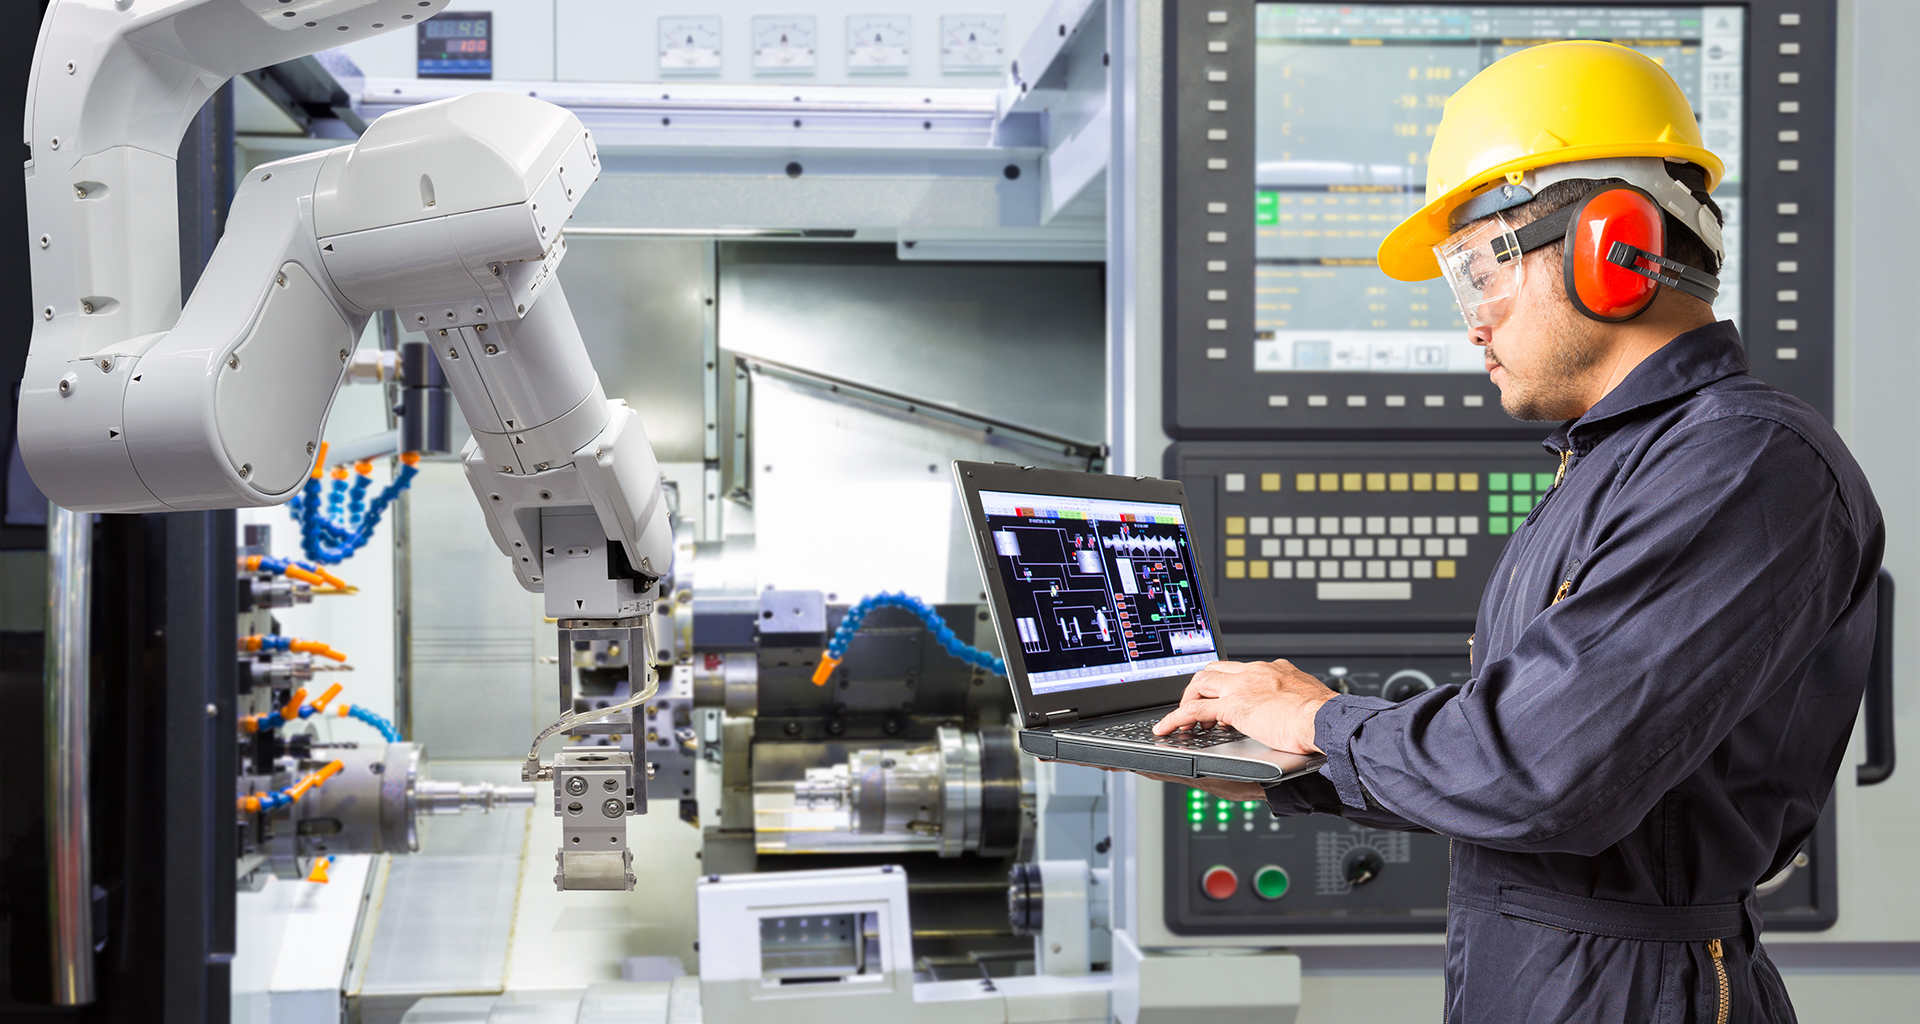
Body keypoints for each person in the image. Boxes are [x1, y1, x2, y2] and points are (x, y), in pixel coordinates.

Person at [1139, 41, 1884, 1022]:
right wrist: (1302, 762)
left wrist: (1317, 718)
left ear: (1610, 247)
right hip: (1540, 972)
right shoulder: (1613, 462)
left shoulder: (1743, 466)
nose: (1473, 325)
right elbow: (1524, 734)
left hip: (1634, 991)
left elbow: (1538, 770)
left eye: (1480, 274)